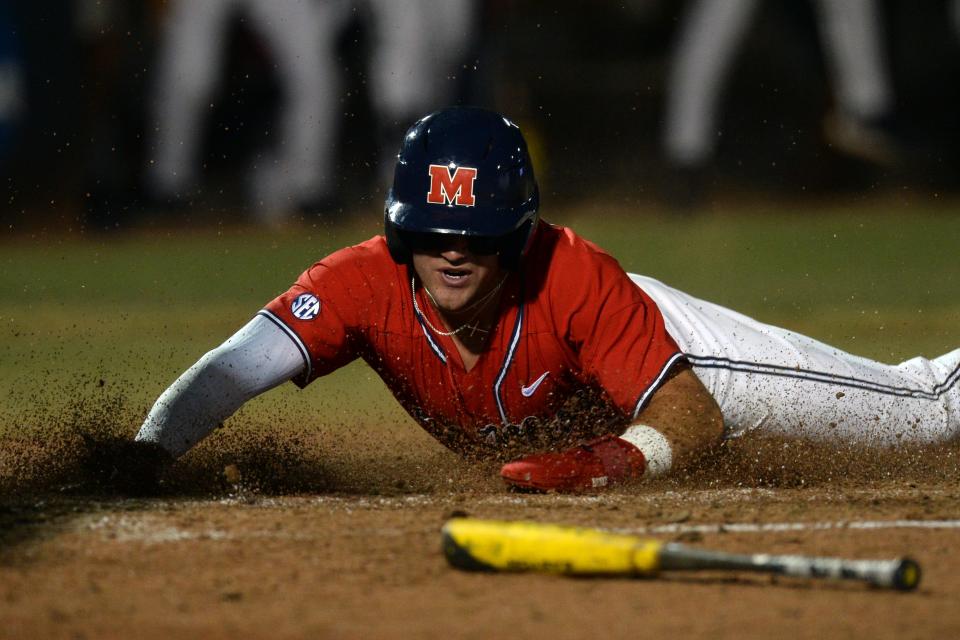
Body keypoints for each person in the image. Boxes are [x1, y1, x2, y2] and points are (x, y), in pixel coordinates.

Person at [131, 107, 960, 494]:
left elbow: (693, 416)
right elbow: (234, 370)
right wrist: (148, 453)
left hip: (677, 360)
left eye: (478, 233)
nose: (454, 250)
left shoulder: (568, 273)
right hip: (617, 397)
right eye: (432, 231)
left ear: (517, 233)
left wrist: (606, 463)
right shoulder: (356, 286)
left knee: (922, 414)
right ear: (398, 232)